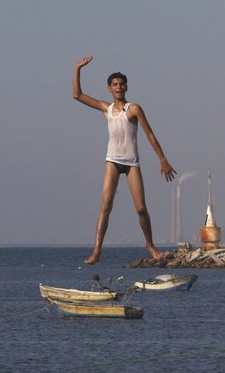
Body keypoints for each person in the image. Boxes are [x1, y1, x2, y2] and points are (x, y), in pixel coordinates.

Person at [73, 56, 177, 265]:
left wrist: (163, 160)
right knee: (106, 205)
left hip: (131, 163)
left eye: (121, 84)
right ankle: (97, 251)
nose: (118, 87)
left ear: (126, 87)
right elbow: (77, 95)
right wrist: (77, 68)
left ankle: (150, 245)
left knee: (140, 208)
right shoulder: (106, 108)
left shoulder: (134, 109)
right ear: (109, 88)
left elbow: (150, 135)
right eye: (115, 84)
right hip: (112, 161)